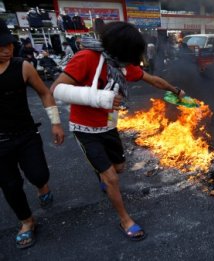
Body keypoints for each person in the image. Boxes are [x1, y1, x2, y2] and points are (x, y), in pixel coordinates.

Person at [51, 21, 186, 241]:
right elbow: (56, 88)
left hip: (108, 126)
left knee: (119, 168)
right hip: (85, 129)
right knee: (112, 178)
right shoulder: (87, 58)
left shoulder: (121, 65)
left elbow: (152, 79)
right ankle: (125, 220)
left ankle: (101, 171)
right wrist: (97, 98)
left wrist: (175, 89)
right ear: (120, 49)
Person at [0, 18, 65, 249]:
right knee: (10, 185)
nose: (6, 50)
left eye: (7, 44)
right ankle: (27, 222)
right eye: (0, 47)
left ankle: (42, 187)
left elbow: (45, 93)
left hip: (26, 134)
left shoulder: (23, 66)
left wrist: (55, 123)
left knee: (38, 174)